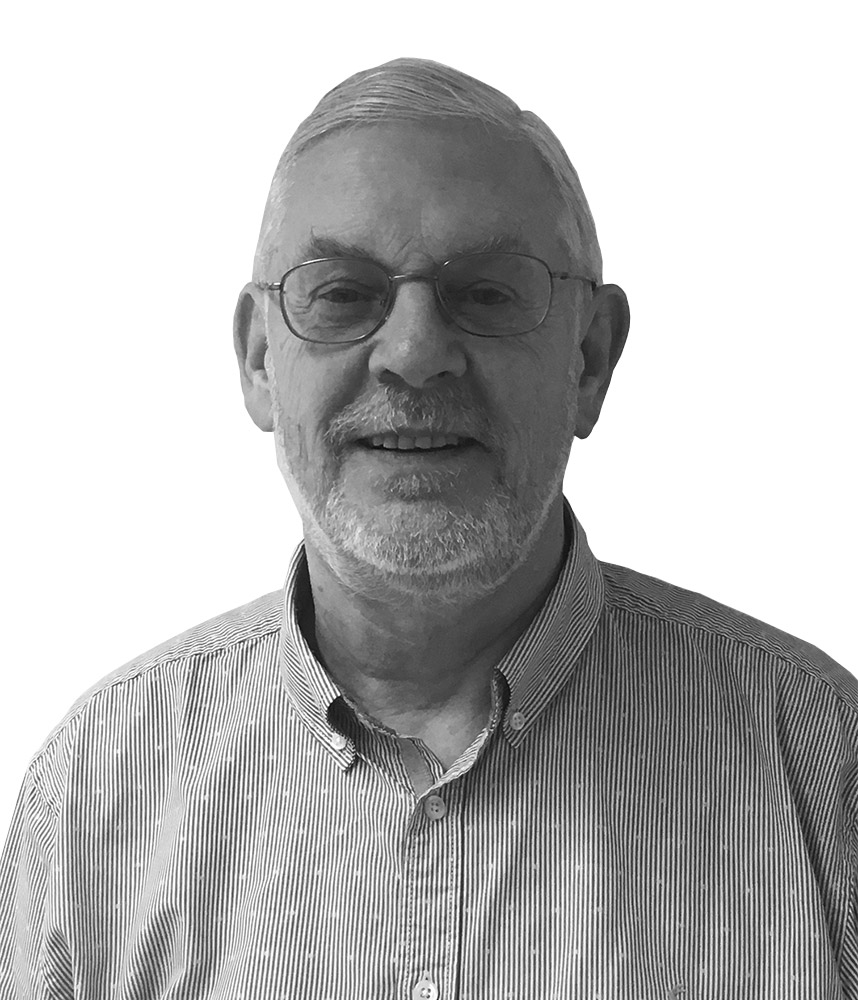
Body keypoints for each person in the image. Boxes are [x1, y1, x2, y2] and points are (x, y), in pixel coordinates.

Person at [1, 56, 855, 1000]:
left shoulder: (820, 762)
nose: (413, 353)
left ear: (589, 358)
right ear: (258, 361)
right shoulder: (96, 790)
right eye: (342, 294)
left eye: (486, 293)